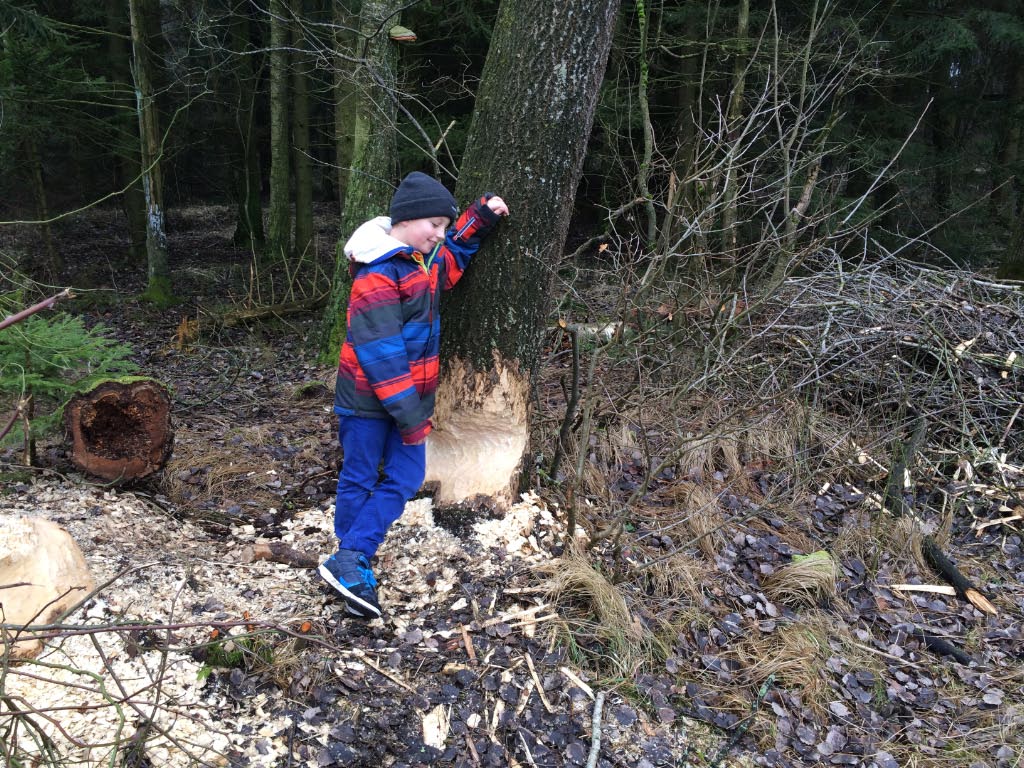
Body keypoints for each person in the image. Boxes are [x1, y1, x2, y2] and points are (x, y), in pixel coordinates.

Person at [319, 171, 510, 619]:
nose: (440, 235)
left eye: (444, 226)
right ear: (406, 220)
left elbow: (453, 253)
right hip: (367, 401)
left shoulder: (424, 263)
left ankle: (350, 556)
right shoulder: (377, 274)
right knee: (360, 476)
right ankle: (352, 561)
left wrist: (480, 218)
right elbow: (380, 355)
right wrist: (410, 417)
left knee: (406, 476)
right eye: (434, 225)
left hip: (408, 401)